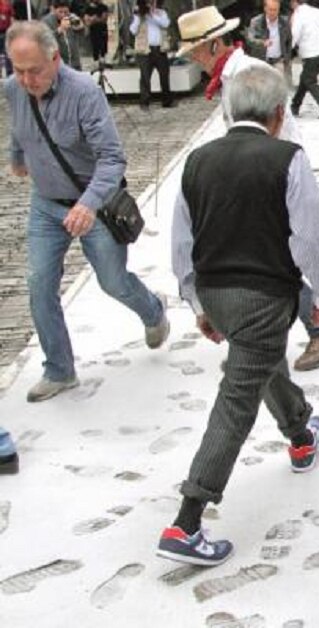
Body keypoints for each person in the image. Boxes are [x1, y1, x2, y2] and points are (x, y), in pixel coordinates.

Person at [162, 65, 319, 566]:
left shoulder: (197, 161)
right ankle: (187, 519)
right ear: (279, 114)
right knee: (237, 397)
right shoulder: (288, 158)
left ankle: (301, 434)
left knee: (256, 363)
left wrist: (197, 302)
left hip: (217, 292)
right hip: (264, 295)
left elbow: (181, 243)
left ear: (231, 110)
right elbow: (308, 236)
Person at [5, 20, 169, 403]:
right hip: (46, 206)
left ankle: (153, 309)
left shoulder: (84, 92)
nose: (27, 80)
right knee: (38, 284)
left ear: (55, 57)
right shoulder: (14, 89)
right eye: (18, 70)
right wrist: (17, 157)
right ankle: (60, 369)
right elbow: (19, 125)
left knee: (112, 282)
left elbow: (113, 159)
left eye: (35, 70)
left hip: (93, 203)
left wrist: (88, 205)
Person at [176, 5, 319, 371]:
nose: (195, 61)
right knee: (269, 259)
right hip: (256, 175)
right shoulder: (230, 77)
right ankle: (268, 339)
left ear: (215, 45)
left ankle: (318, 329)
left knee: (277, 260)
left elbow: (280, 134)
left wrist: (269, 180)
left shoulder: (251, 75)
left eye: (195, 54)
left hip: (272, 178)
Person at [129, 0, 173, 110]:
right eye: (149, 2)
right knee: (145, 77)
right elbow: (133, 31)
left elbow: (166, 23)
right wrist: (139, 17)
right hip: (145, 51)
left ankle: (166, 101)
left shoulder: (161, 13)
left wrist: (153, 14)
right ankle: (144, 102)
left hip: (160, 49)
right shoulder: (139, 15)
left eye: (153, 2)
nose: (151, 4)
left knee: (164, 75)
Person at [246, 0, 292, 87]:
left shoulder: (284, 22)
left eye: (276, 10)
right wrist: (262, 42)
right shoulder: (256, 21)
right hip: (261, 61)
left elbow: (289, 40)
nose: (273, 12)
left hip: (278, 61)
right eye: (270, 9)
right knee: (261, 87)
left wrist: (287, 58)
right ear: (265, 9)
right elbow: (249, 39)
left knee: (280, 88)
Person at [41, 0, 84, 70]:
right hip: (58, 63)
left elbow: (82, 34)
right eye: (60, 12)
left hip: (74, 61)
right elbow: (45, 40)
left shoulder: (72, 17)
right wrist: (60, 29)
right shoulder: (46, 21)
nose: (63, 15)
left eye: (66, 12)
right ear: (53, 10)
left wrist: (81, 27)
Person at [82, 0, 108, 67]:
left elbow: (104, 18)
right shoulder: (88, 8)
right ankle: (95, 61)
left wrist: (93, 19)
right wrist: (92, 19)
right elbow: (86, 19)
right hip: (93, 30)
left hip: (102, 30)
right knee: (94, 45)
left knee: (102, 45)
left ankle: (103, 60)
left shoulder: (103, 7)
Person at [1, 0, 14, 77]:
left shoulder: (7, 4)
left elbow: (12, 17)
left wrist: (12, 30)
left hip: (6, 31)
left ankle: (9, 73)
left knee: (7, 53)